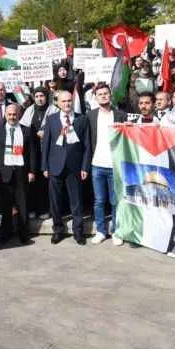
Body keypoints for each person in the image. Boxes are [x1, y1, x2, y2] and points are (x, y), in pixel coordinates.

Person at [41, 90, 91, 245]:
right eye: (63, 101)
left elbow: (87, 145)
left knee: (76, 200)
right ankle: (58, 230)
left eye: (69, 101)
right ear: (57, 103)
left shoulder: (82, 119)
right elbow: (46, 144)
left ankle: (78, 231)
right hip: (55, 165)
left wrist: (85, 166)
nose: (67, 104)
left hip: (75, 166)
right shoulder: (51, 119)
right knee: (55, 201)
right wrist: (44, 166)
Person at [86, 83, 127, 244]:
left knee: (115, 200)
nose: (103, 96)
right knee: (99, 201)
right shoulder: (90, 116)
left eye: (105, 93)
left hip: (115, 165)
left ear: (111, 95)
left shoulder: (120, 115)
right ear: (95, 98)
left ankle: (117, 232)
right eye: (100, 94)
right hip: (97, 164)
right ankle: (101, 231)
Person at [0, 103, 35, 244]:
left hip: (21, 172)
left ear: (19, 115)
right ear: (5, 115)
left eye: (14, 114)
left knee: (23, 203)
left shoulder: (27, 131)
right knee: (5, 204)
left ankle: (23, 233)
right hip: (4, 173)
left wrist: (32, 171)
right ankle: (6, 232)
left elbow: (32, 153)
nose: (12, 117)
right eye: (9, 114)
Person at [20, 87, 58, 220]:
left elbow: (59, 128)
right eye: (37, 96)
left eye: (42, 96)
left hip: (48, 151)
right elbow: (23, 129)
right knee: (32, 180)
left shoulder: (54, 110)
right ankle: (32, 208)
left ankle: (45, 209)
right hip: (32, 152)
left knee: (46, 182)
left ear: (47, 97)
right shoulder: (29, 111)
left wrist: (46, 133)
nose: (39, 99)